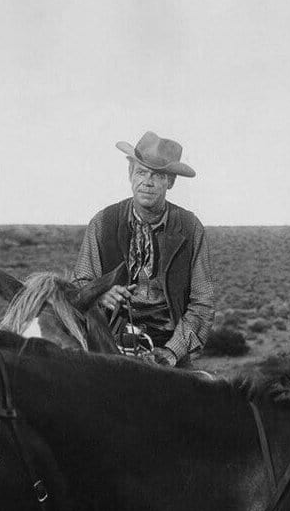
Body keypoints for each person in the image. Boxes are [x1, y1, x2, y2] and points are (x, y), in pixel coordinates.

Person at [73, 130, 215, 367]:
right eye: (141, 172)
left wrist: (171, 353)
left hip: (169, 351)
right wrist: (101, 294)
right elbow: (80, 284)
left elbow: (203, 303)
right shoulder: (103, 222)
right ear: (130, 174)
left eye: (157, 176)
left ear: (170, 181)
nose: (147, 182)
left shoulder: (190, 228)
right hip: (108, 346)